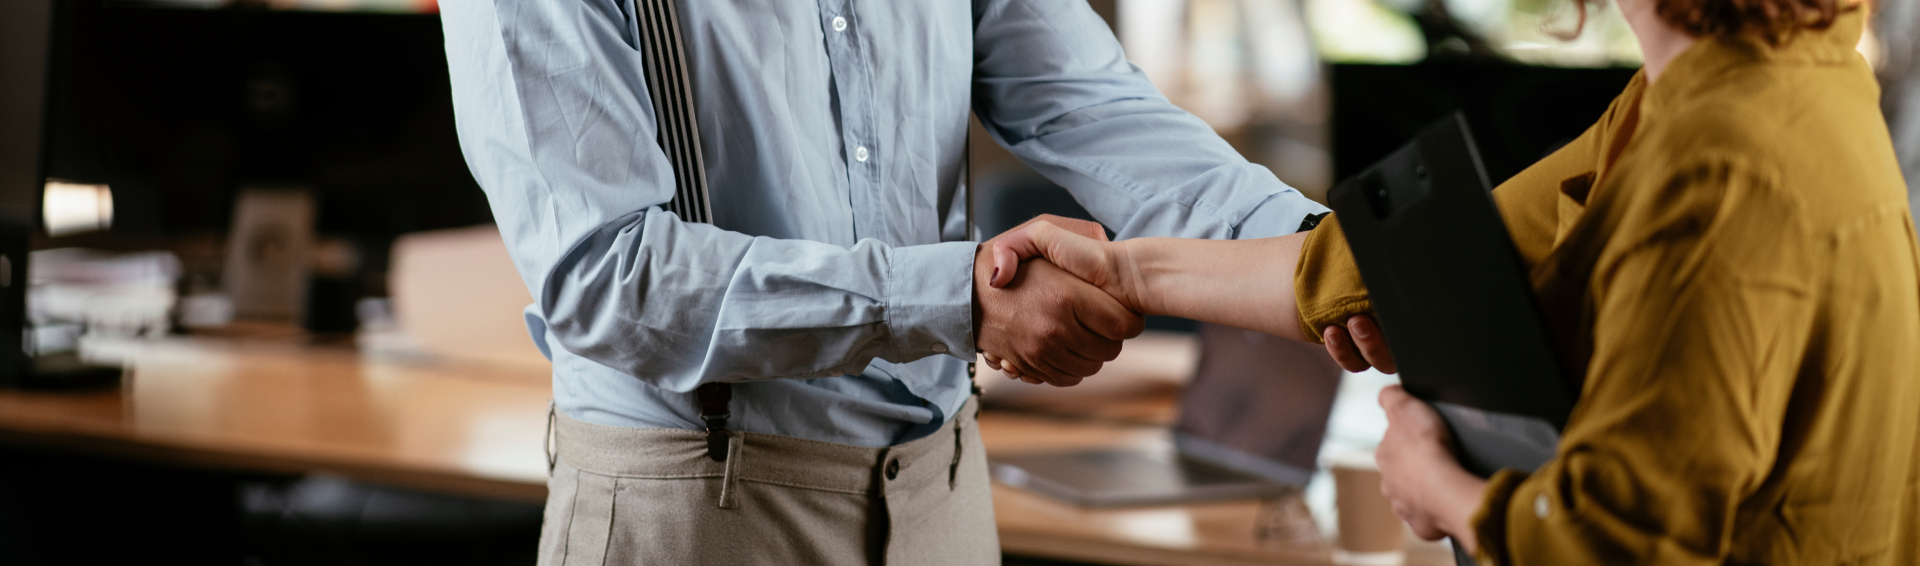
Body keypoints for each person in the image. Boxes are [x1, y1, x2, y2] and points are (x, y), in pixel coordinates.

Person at [984, 0, 1920, 562]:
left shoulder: (1723, 157)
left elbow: (1621, 543)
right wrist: (1128, 269)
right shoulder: (1736, 86)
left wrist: (1437, 487)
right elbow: (1386, 272)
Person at [436, 1, 1330, 564]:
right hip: (701, 508)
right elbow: (608, 274)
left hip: (944, 490)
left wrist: (1319, 253)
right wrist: (962, 300)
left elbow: (1088, 105)